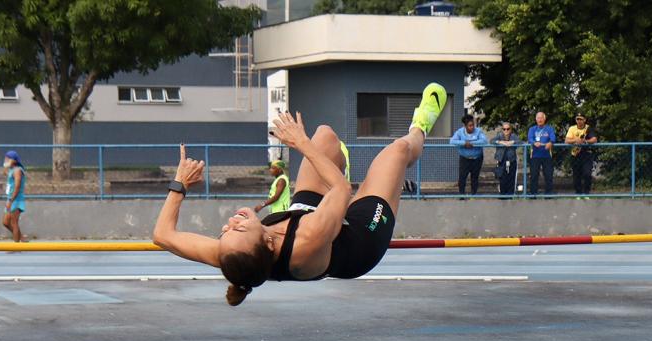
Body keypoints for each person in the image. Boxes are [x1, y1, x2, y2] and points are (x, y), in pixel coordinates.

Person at [153, 82, 448, 306]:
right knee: (397, 151)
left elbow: (163, 235)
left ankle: (333, 163)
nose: (231, 222)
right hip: (357, 240)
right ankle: (420, 125)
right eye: (239, 227)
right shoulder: (307, 243)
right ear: (267, 241)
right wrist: (301, 143)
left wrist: (180, 185)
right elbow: (341, 190)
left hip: (305, 213)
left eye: (226, 230)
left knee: (325, 137)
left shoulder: (231, 255)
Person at [449, 115, 487, 195]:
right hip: (464, 158)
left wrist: (472, 143)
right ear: (465, 126)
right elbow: (452, 141)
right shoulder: (460, 132)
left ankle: (473, 195)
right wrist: (464, 143)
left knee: (475, 178)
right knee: (462, 178)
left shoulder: (478, 131)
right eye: (470, 125)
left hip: (477, 158)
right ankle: (462, 195)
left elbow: (484, 141)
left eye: (473, 125)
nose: (472, 127)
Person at [565, 112, 598, 195]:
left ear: (584, 120)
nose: (579, 121)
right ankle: (578, 193)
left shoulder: (588, 128)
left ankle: (587, 192)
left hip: (586, 154)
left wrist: (585, 141)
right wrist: (575, 140)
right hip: (575, 154)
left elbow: (594, 139)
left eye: (581, 119)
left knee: (587, 174)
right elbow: (567, 140)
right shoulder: (572, 128)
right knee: (576, 175)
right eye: (577, 119)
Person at [527, 112, 556, 195]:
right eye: (538, 118)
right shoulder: (532, 129)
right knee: (534, 176)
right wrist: (534, 142)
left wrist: (550, 143)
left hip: (547, 156)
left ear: (544, 119)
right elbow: (530, 138)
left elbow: (553, 138)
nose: (540, 120)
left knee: (548, 175)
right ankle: (533, 194)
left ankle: (548, 194)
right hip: (535, 156)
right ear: (536, 119)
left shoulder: (549, 128)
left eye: (541, 118)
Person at [1, 150, 26, 242]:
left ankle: (16, 245)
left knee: (14, 222)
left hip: (16, 199)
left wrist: (11, 201)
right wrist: (6, 167)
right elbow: (7, 176)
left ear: (14, 160)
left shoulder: (17, 171)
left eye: (8, 158)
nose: (5, 160)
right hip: (10, 199)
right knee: (5, 222)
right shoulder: (12, 170)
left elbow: (17, 186)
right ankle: (21, 237)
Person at [492, 122, 520, 196]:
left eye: (508, 129)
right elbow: (492, 141)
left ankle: (510, 195)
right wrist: (501, 142)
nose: (506, 131)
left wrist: (512, 142)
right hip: (501, 159)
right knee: (502, 178)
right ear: (502, 130)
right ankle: (502, 195)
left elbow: (520, 141)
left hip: (512, 159)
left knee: (511, 177)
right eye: (504, 129)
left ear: (511, 129)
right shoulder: (499, 136)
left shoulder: (513, 136)